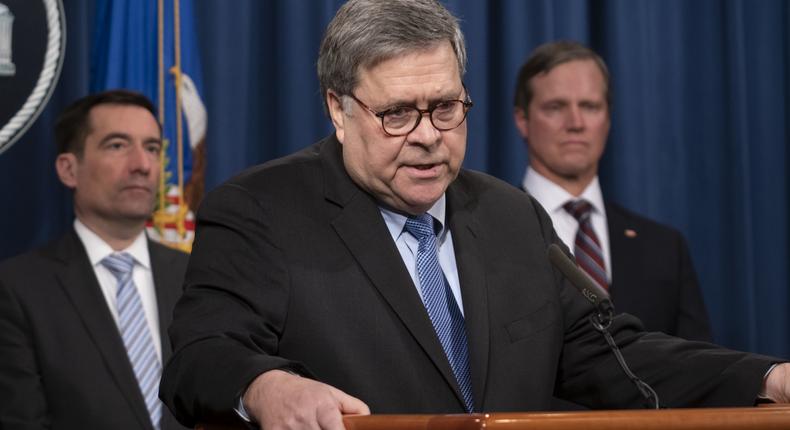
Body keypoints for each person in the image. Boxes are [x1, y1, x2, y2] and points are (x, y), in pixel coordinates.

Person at [160, 1, 789, 428]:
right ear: (338, 108)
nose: (430, 136)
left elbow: (611, 355)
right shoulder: (261, 209)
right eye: (398, 114)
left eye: (447, 107)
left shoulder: (512, 216)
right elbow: (201, 353)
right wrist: (267, 387)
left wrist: (767, 377)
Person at [0, 90, 189, 430]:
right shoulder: (17, 289)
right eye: (117, 145)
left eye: (152, 148)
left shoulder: (198, 277)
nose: (142, 165)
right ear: (69, 169)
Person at [513, 41, 713, 342]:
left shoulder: (666, 248)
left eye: (590, 106)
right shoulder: (489, 235)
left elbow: (701, 370)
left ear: (607, 119)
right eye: (556, 107)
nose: (576, 123)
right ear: (522, 120)